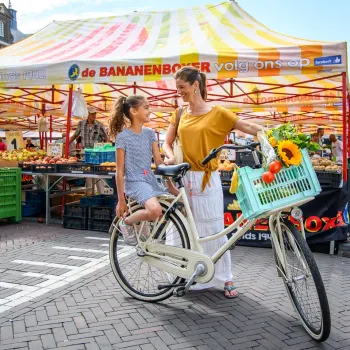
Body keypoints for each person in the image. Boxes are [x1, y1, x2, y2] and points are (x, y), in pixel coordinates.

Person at [163, 66, 262, 299]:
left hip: (208, 179)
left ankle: (225, 276)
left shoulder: (218, 113)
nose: (179, 92)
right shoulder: (179, 113)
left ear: (195, 85)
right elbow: (167, 142)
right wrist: (168, 155)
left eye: (182, 87)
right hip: (182, 177)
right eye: (177, 88)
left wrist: (269, 134)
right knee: (183, 228)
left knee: (214, 228)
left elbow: (247, 126)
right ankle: (182, 274)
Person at [111, 95, 177, 245]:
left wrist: (171, 186)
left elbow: (159, 162)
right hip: (134, 182)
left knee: (174, 207)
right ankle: (126, 222)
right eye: (146, 107)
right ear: (134, 111)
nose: (150, 111)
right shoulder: (123, 137)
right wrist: (121, 201)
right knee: (155, 210)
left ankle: (142, 223)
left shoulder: (150, 133)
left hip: (149, 180)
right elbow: (119, 171)